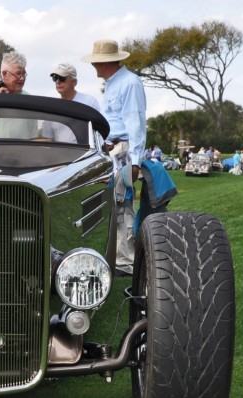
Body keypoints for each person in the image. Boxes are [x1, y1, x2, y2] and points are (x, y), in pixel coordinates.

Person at [82, 39, 176, 277]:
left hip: (123, 150)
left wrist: (134, 162)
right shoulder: (113, 84)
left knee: (123, 205)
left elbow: (135, 124)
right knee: (115, 205)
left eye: (97, 61)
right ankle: (119, 256)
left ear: (107, 62)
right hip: (113, 149)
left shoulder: (129, 83)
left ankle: (127, 261)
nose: (94, 66)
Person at [42, 62, 100, 143]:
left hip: (85, 154)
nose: (58, 81)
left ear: (74, 82)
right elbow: (48, 139)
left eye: (62, 78)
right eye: (55, 78)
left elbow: (100, 133)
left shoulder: (89, 102)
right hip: (61, 154)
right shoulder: (51, 108)